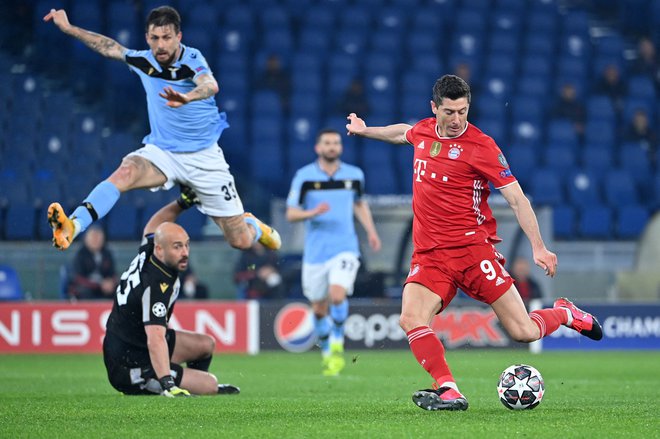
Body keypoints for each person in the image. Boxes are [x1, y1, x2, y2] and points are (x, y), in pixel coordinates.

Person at [346, 74, 603, 411]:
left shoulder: (482, 146)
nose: (456, 120)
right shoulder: (424, 130)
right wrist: (367, 131)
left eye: (463, 112)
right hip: (430, 255)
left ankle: (564, 313)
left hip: (473, 252)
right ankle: (449, 390)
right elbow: (401, 134)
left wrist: (538, 246)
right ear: (434, 108)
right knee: (411, 319)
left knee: (523, 331)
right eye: (449, 112)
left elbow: (516, 199)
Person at [43, 6, 280, 254]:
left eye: (167, 37)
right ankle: (74, 225)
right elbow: (110, 47)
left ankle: (254, 225)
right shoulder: (145, 61)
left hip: (204, 158)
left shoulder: (192, 60)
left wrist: (187, 98)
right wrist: (69, 29)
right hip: (163, 152)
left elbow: (210, 85)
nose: (161, 45)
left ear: (179, 37)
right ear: (147, 38)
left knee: (239, 240)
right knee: (125, 173)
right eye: (155, 38)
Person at [102, 187, 239, 396]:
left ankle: (192, 385)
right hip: (129, 364)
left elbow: (153, 225)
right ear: (160, 249)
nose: (185, 253)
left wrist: (182, 203)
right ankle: (165, 384)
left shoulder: (151, 250)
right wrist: (168, 384)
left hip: (133, 345)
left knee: (206, 345)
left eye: (186, 245)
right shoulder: (156, 284)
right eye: (177, 247)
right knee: (210, 385)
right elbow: (155, 337)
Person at [285, 128, 382, 376]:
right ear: (318, 148)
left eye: (336, 143)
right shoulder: (304, 176)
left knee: (337, 295)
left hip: (345, 248)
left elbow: (359, 204)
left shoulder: (354, 175)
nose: (332, 146)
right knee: (318, 307)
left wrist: (371, 231)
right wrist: (312, 213)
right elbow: (291, 213)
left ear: (340, 147)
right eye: (327, 142)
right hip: (316, 253)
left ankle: (337, 338)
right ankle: (328, 351)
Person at [66, 225, 117, 300]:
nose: (95, 240)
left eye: (98, 237)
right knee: (85, 291)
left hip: (103, 288)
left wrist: (111, 283)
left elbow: (113, 274)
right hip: (86, 288)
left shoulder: (107, 254)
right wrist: (99, 285)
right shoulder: (80, 254)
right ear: (86, 239)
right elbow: (78, 278)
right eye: (93, 237)